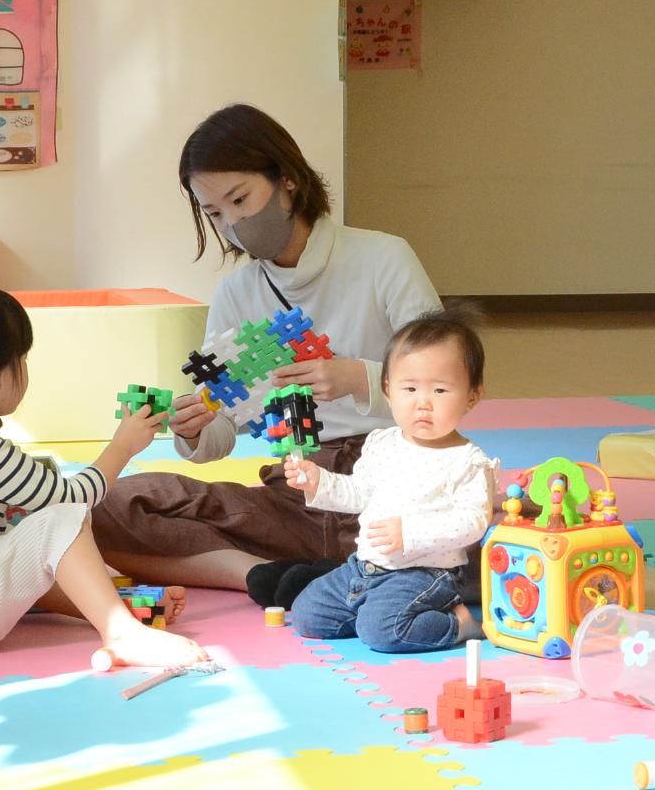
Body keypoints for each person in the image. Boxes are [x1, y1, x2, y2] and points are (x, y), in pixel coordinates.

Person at [88, 104, 443, 591]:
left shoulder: (383, 257)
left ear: (287, 180)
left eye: (240, 199)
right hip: (294, 495)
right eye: (215, 213)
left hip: (388, 480)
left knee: (473, 518)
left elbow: (446, 383)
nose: (233, 222)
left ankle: (360, 568)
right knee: (106, 507)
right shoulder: (236, 295)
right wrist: (194, 428)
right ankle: (263, 576)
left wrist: (357, 377)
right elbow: (224, 430)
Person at [0, 286, 208, 664]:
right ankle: (121, 631)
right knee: (61, 520)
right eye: (22, 358)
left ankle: (106, 604)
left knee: (23, 525)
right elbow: (76, 498)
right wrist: (123, 446)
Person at [282, 310, 500, 653]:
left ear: (472, 396)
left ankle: (459, 624)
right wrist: (317, 482)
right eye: (409, 388)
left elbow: (472, 522)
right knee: (306, 615)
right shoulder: (382, 443)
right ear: (388, 391)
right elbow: (358, 493)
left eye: (441, 390)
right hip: (363, 568)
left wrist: (409, 534)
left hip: (426, 573)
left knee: (382, 633)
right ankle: (378, 610)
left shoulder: (468, 461)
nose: (423, 403)